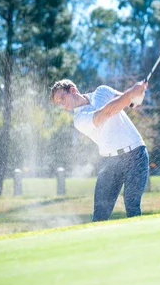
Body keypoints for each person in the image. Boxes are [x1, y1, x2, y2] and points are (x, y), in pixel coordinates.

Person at [50, 79, 149, 221]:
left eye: (62, 98)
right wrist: (131, 92)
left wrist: (139, 93)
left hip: (136, 154)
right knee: (100, 213)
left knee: (132, 204)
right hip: (110, 163)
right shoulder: (79, 120)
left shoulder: (102, 91)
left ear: (72, 90)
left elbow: (132, 102)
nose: (62, 104)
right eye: (59, 103)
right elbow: (105, 113)